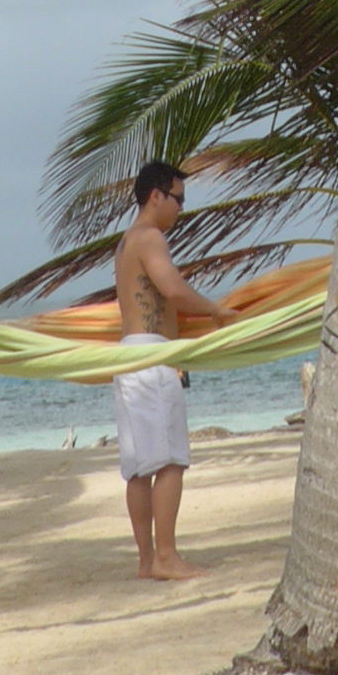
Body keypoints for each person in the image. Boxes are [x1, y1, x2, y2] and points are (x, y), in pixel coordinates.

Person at [112, 160, 227, 582]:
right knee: (171, 462)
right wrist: (216, 311)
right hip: (152, 359)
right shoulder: (150, 237)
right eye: (178, 199)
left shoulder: (126, 242)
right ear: (155, 196)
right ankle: (166, 557)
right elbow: (173, 289)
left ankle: (147, 561)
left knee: (140, 467)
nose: (181, 208)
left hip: (129, 358)